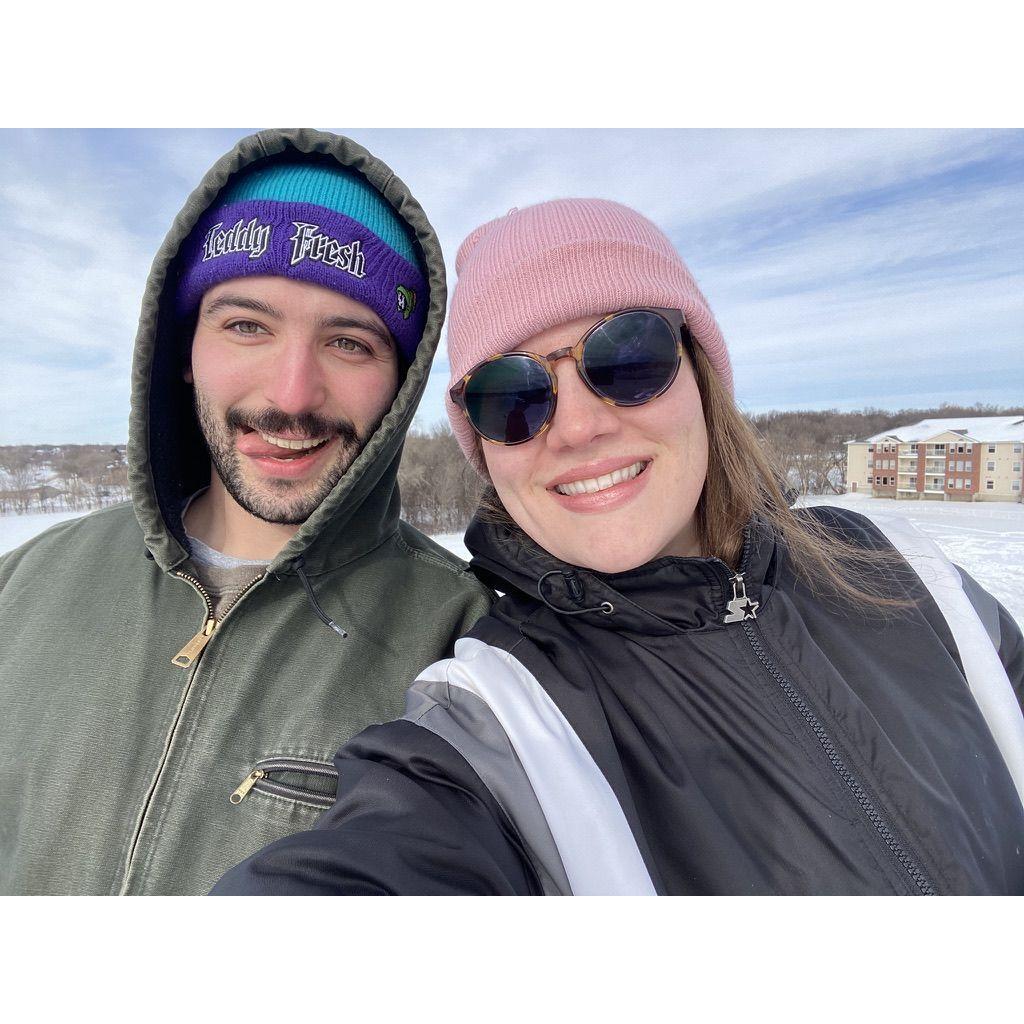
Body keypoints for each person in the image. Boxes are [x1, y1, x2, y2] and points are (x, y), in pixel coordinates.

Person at [214, 198, 1024, 895]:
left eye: (625, 356)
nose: (579, 425)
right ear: (483, 443)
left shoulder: (904, 573)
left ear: (700, 371)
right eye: (512, 395)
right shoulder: (501, 721)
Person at [0, 129, 493, 895]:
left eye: (350, 342)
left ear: (400, 383)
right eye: (246, 326)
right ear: (184, 344)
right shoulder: (24, 585)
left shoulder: (463, 649)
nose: (291, 395)